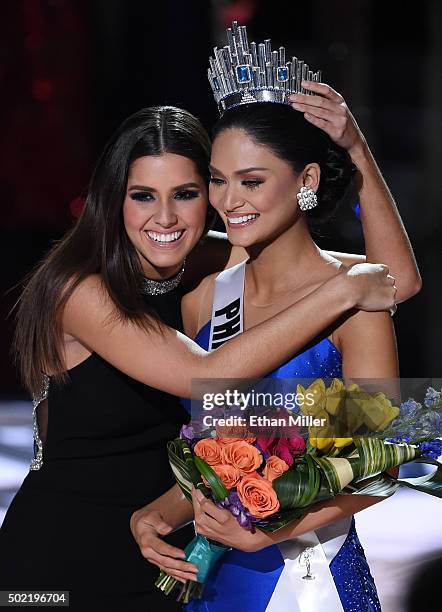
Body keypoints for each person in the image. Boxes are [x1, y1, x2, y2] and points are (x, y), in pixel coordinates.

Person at [0, 104, 400, 611]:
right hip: (58, 560)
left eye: (187, 193)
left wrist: (357, 150)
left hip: (172, 553)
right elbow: (204, 378)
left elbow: (393, 284)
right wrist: (343, 291)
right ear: (111, 200)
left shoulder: (206, 268)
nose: (164, 218)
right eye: (142, 195)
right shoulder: (80, 289)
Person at [131, 25, 422, 612]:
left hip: (312, 580)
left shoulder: (351, 303)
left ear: (306, 182)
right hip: (215, 578)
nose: (228, 200)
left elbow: (376, 462)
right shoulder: (207, 300)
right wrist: (160, 513)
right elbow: (216, 456)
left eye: (252, 181)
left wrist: (277, 528)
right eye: (217, 180)